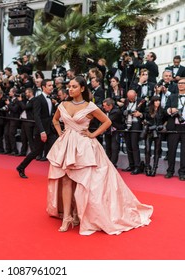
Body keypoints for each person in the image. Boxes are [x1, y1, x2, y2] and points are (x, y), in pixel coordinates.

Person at [46, 76, 153, 235]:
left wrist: (93, 134)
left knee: (81, 181)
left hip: (83, 147)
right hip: (66, 145)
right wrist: (60, 132)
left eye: (74, 86)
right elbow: (55, 120)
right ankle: (67, 217)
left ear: (82, 89)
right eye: (69, 86)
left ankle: (78, 213)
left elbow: (107, 122)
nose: (70, 89)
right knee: (66, 179)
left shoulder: (90, 106)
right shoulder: (63, 104)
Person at [16, 79, 57, 179]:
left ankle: (58, 174)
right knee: (36, 152)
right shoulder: (38, 99)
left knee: (56, 148)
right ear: (43, 87)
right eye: (49, 85)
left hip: (50, 130)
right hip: (41, 130)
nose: (52, 87)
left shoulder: (50, 98)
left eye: (52, 85)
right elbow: (37, 116)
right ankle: (21, 167)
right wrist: (42, 131)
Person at [164, 77, 185, 181]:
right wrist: (169, 110)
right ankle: (170, 171)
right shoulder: (172, 96)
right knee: (171, 150)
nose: (180, 85)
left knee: (184, 152)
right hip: (174, 126)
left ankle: (182, 173)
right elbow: (164, 110)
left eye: (183, 83)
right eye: (179, 83)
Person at [141, 96, 166, 177]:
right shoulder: (148, 109)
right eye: (156, 101)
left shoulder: (162, 110)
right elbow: (144, 119)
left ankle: (154, 168)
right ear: (153, 102)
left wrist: (162, 126)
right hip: (149, 131)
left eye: (159, 101)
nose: (158, 102)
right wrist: (145, 123)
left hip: (158, 132)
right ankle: (147, 167)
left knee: (157, 150)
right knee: (147, 149)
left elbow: (166, 120)